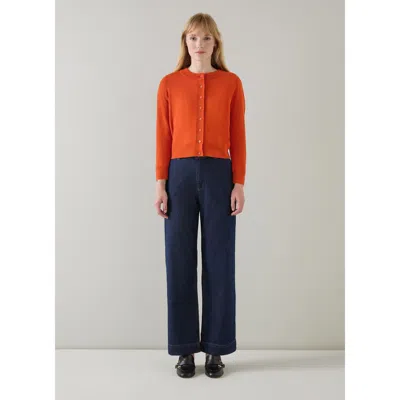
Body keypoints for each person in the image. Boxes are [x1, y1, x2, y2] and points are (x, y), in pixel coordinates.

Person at [154, 13, 246, 378]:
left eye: (206, 38)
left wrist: (239, 182)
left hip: (219, 175)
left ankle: (216, 349)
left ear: (215, 43)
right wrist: (160, 183)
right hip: (178, 175)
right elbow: (163, 135)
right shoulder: (169, 84)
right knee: (178, 260)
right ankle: (184, 350)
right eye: (193, 38)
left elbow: (238, 135)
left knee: (219, 262)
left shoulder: (231, 83)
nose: (199, 44)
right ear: (185, 42)